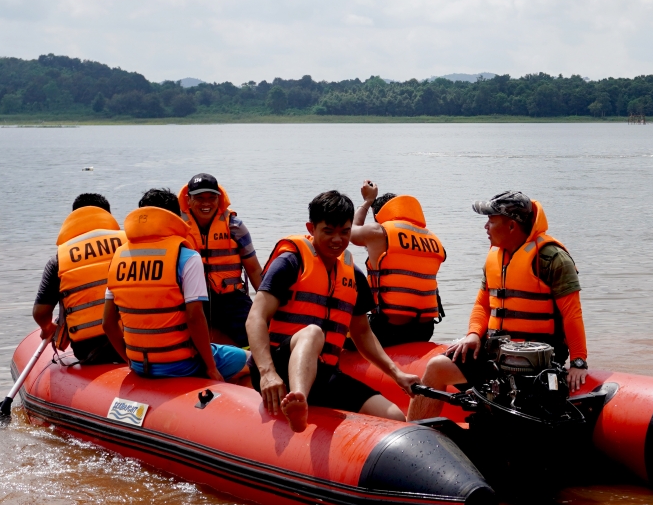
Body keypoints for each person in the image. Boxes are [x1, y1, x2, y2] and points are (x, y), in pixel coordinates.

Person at [406, 191, 590, 422]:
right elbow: (483, 303)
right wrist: (473, 334)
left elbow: (572, 312)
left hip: (538, 360)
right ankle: (412, 435)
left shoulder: (552, 259)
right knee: (437, 366)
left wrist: (578, 362)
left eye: (491, 221)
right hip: (496, 353)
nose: (485, 227)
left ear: (512, 226)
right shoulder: (495, 257)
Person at [245, 191, 418, 432]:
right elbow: (256, 317)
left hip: (322, 372)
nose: (337, 239)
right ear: (311, 227)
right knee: (313, 333)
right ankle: (298, 401)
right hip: (279, 367)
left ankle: (304, 401)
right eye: (328, 231)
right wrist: (267, 373)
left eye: (345, 232)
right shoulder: (290, 262)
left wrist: (397, 374)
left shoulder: (354, 276)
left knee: (394, 416)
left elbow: (363, 334)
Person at [102, 188, 250, 383]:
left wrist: (130, 361)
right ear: (176, 217)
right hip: (181, 363)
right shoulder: (186, 257)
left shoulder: (119, 257)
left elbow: (108, 323)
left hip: (139, 363)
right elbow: (195, 317)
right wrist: (211, 368)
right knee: (251, 361)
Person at [33, 193, 126, 365]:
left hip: (87, 349)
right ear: (108, 216)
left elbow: (40, 313)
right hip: (131, 343)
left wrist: (48, 328)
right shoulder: (128, 245)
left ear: (73, 218)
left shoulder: (59, 260)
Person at [351, 180, 446, 346]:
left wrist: (367, 201)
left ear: (378, 217)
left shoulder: (378, 231)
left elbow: (350, 231)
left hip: (387, 329)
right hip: (425, 330)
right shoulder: (433, 239)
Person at [177, 173, 263, 347]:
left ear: (219, 198)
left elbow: (253, 269)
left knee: (255, 333)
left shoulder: (235, 226)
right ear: (189, 200)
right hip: (194, 299)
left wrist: (266, 305)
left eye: (211, 197)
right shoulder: (178, 227)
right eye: (199, 198)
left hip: (231, 298)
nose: (206, 203)